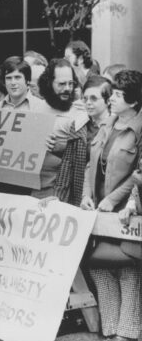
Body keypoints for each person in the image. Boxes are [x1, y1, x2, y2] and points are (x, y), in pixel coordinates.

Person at [81, 70, 142, 341]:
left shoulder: (138, 129)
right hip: (99, 209)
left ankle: (128, 333)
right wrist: (87, 195)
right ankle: (111, 328)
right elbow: (89, 165)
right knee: (99, 266)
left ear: (133, 100)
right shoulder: (108, 124)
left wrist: (114, 199)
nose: (112, 99)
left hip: (127, 209)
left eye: (118, 95)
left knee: (128, 268)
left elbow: (139, 173)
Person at [31, 58, 88, 199]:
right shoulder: (35, 109)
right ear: (49, 83)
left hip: (61, 193)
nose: (67, 88)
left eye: (71, 83)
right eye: (61, 84)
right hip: (32, 189)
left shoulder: (80, 113)